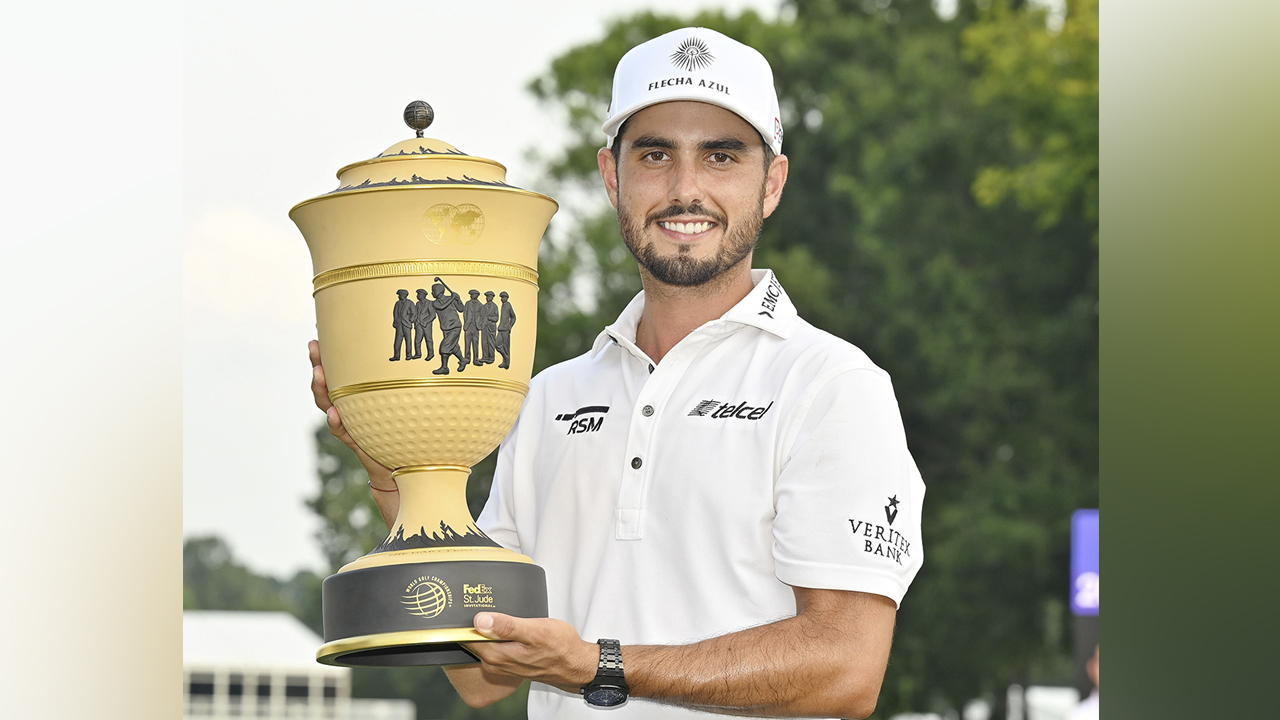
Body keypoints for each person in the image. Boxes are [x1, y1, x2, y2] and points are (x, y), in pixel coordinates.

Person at [310, 27, 924, 719]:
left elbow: (846, 669)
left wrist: (597, 665)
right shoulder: (548, 398)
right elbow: (484, 675)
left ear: (772, 183)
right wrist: (396, 473)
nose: (686, 190)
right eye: (656, 155)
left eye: (721, 156)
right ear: (612, 176)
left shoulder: (832, 385)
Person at [430, 280, 467, 375]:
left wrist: (458, 299)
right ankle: (463, 360)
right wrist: (452, 298)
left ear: (438, 291)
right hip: (445, 328)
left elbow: (461, 309)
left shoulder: (451, 298)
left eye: (433, 291)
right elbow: (442, 307)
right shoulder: (434, 303)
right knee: (453, 346)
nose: (432, 293)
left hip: (455, 326)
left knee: (444, 347)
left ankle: (444, 367)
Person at [389, 289, 413, 361]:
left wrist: (411, 320)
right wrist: (395, 321)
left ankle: (409, 355)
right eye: (399, 295)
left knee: (408, 340)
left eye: (400, 295)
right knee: (397, 340)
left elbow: (414, 313)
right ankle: (396, 356)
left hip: (407, 324)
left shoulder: (410, 303)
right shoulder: (397, 303)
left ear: (404, 295)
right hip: (399, 324)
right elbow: (395, 313)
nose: (399, 296)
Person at [411, 288, 436, 361]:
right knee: (417, 340)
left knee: (429, 340)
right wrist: (413, 319)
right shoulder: (417, 303)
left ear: (424, 295)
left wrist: (426, 321)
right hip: (418, 324)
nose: (418, 296)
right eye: (417, 294)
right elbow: (415, 313)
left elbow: (433, 315)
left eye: (419, 294)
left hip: (426, 325)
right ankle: (418, 354)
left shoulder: (429, 303)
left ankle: (431, 354)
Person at [464, 289, 485, 367]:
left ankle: (476, 359)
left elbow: (482, 316)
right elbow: (465, 314)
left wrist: (480, 324)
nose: (473, 296)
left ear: (477, 295)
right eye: (472, 294)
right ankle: (467, 359)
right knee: (467, 343)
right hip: (468, 326)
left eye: (474, 294)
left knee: (476, 343)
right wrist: (466, 322)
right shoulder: (467, 303)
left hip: (476, 327)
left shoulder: (480, 305)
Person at [496, 290, 516, 369]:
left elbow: (513, 317)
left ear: (506, 298)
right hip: (501, 328)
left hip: (505, 329)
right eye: (501, 297)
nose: (502, 299)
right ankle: (506, 358)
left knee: (506, 346)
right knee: (497, 345)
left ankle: (506, 362)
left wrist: (510, 326)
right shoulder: (503, 305)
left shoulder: (508, 305)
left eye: (503, 297)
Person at [482, 290, 500, 365]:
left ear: (492, 297)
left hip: (491, 327)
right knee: (484, 342)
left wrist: (490, 318)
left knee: (491, 342)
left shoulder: (495, 306)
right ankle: (485, 356)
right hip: (484, 327)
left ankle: (491, 357)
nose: (487, 298)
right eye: (487, 296)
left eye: (489, 296)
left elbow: (496, 318)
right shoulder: (484, 306)